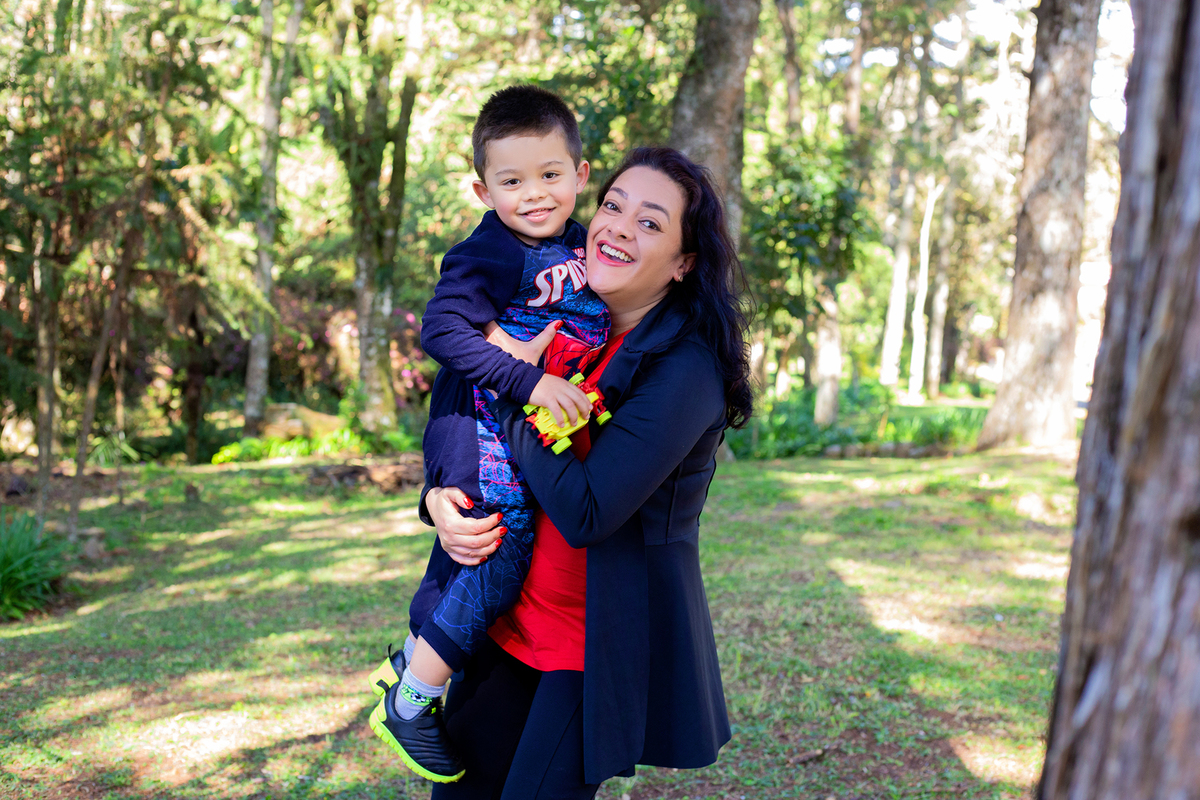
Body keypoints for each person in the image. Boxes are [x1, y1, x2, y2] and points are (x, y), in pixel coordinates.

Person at [422, 146, 754, 799]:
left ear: (684, 263)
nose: (618, 227)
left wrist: (521, 387)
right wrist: (437, 495)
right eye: (613, 205)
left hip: (587, 647)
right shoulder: (570, 319)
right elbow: (460, 401)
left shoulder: (685, 369)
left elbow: (588, 511)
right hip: (506, 617)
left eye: (651, 223)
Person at [367, 85, 610, 783]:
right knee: (499, 553)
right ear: (483, 188)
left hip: (510, 434)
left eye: (550, 176)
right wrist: (530, 382)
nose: (534, 195)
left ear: (580, 175)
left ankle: (415, 651)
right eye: (511, 181)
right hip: (477, 431)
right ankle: (411, 700)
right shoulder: (492, 251)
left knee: (489, 550)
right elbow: (440, 329)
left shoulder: (575, 244)